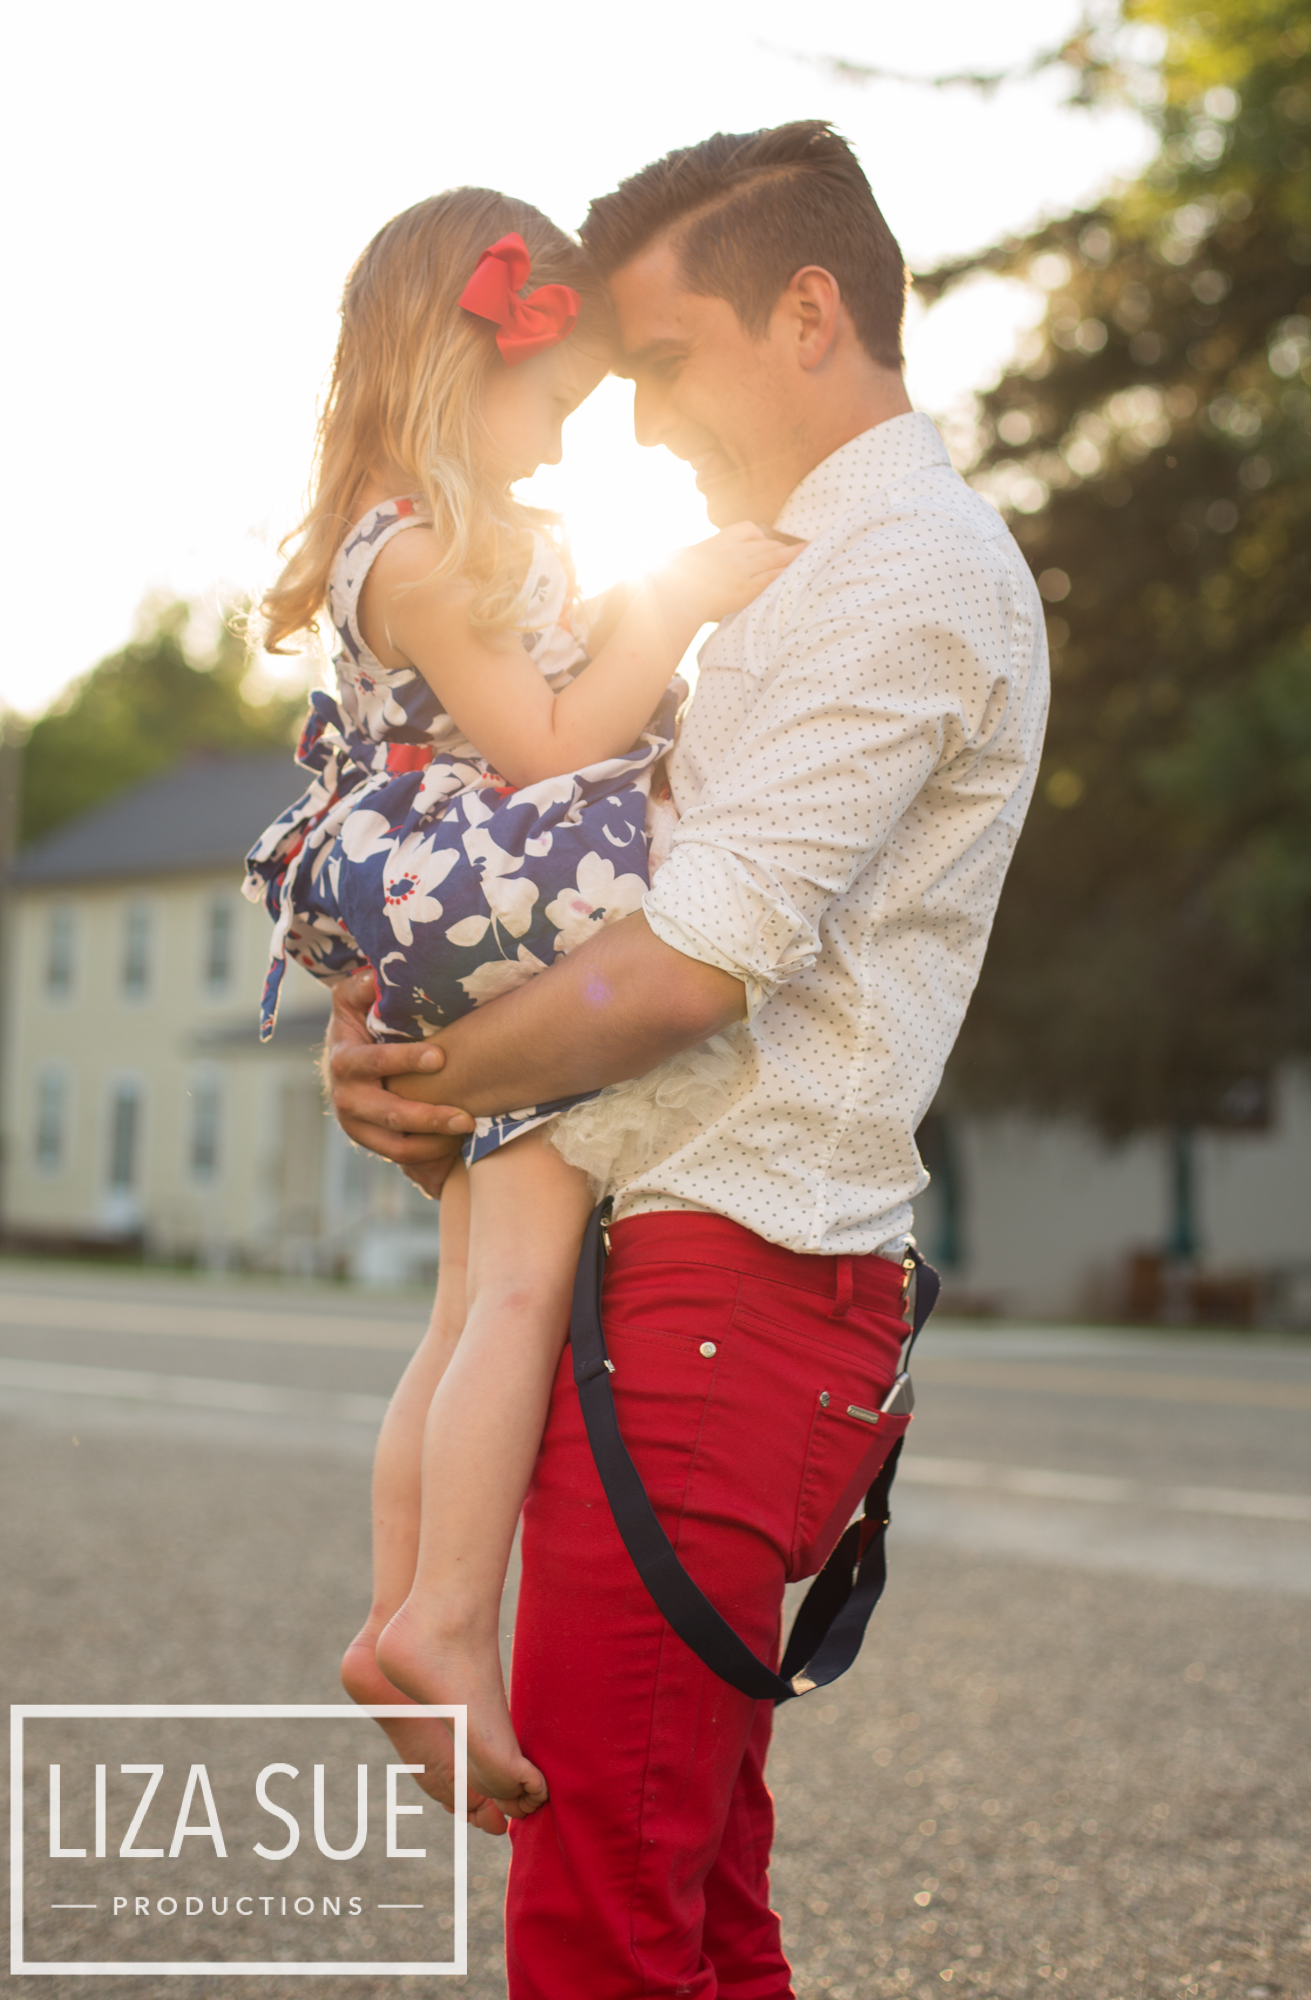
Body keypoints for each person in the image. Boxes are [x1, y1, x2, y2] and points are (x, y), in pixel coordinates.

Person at [326, 121, 1050, 2000]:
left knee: (610, 1920)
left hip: (729, 1290)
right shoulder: (807, 572)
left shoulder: (899, 570)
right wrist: (436, 1083)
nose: (636, 428)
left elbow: (685, 970)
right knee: (688, 1906)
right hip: (679, 1272)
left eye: (658, 367)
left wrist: (436, 1080)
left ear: (805, 313)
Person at [244, 188, 800, 1819]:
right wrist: (678, 600)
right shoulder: (416, 554)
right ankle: (441, 1624)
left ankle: (399, 1615)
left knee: (465, 1298)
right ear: (461, 358)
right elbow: (553, 745)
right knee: (513, 1299)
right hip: (500, 905)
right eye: (552, 404)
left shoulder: (402, 534)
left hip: (452, 896)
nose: (560, 451)